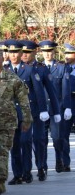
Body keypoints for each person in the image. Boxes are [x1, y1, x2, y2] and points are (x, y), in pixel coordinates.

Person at [0, 48, 31, 195]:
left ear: (2, 59)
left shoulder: (12, 78)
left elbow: (23, 99)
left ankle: (0, 182)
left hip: (7, 122)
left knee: (2, 152)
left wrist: (27, 119)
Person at [5, 40, 55, 184]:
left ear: (21, 53)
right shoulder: (4, 71)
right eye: (11, 52)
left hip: (29, 112)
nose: (14, 56)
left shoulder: (30, 69)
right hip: (11, 113)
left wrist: (44, 110)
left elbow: (39, 91)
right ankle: (17, 174)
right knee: (14, 145)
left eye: (17, 52)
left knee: (28, 141)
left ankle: (29, 171)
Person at [19, 40, 60, 182]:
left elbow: (51, 91)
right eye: (23, 52)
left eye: (28, 52)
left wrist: (55, 111)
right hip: (23, 112)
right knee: (24, 141)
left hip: (38, 110)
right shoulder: (17, 69)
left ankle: (41, 166)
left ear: (35, 52)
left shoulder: (42, 69)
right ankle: (26, 171)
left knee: (39, 139)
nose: (24, 55)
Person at [39, 41, 72, 172]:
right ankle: (42, 165)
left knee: (58, 137)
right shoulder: (37, 68)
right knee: (41, 139)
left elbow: (66, 88)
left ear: (54, 52)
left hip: (56, 108)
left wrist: (67, 106)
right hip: (41, 109)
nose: (47, 54)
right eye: (45, 51)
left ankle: (60, 159)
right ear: (41, 53)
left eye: (50, 51)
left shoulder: (61, 67)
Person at [62, 43, 75, 172]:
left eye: (70, 53)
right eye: (65, 53)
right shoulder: (62, 68)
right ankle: (65, 162)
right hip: (67, 104)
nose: (67, 56)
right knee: (64, 135)